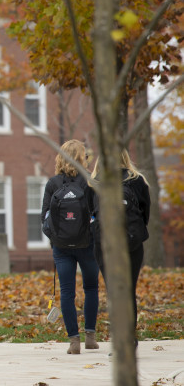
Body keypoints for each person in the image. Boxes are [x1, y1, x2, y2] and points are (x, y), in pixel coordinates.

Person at [41, 139, 99, 354]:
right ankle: (90, 337)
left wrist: (55, 238)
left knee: (67, 292)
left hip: (61, 246)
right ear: (82, 158)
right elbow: (98, 214)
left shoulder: (53, 184)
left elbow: (44, 217)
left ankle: (74, 341)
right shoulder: (90, 182)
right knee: (91, 288)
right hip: (87, 244)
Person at [91, 148, 150, 347]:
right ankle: (128, 339)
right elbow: (145, 215)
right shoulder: (138, 181)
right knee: (128, 291)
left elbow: (90, 215)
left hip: (104, 245)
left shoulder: (96, 182)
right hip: (132, 243)